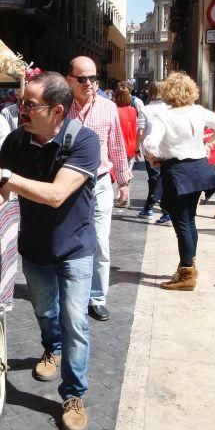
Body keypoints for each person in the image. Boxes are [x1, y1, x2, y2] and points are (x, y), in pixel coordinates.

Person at [0, 70, 101, 430]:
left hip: (75, 248)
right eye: (21, 102)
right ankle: (51, 349)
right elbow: (1, 196)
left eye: (29, 104)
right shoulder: (16, 141)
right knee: (45, 310)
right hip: (35, 247)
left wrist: (4, 175)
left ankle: (73, 395)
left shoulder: (83, 141)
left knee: (76, 319)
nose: (20, 108)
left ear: (56, 110)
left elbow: (57, 195)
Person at [141, 72, 215, 290]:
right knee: (189, 221)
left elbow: (149, 144)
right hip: (199, 169)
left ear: (168, 92)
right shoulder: (199, 111)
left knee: (182, 223)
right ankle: (189, 264)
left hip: (178, 171)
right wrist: (210, 143)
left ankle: (187, 273)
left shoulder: (164, 115)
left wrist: (154, 158)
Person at [67, 56, 131, 322]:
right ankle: (72, 294)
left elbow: (116, 143)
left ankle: (96, 297)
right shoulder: (61, 107)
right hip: (68, 184)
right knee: (70, 241)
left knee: (100, 243)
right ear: (69, 80)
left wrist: (124, 181)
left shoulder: (108, 107)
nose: (89, 84)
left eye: (93, 78)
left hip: (101, 181)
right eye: (83, 79)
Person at [137, 81, 167, 220]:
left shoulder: (146, 109)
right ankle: (151, 207)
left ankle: (159, 209)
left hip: (150, 150)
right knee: (161, 178)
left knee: (154, 178)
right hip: (166, 148)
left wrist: (136, 147)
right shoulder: (169, 109)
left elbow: (140, 131)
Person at [113, 82, 140, 207]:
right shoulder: (133, 110)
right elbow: (136, 128)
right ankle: (124, 196)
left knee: (117, 171)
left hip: (118, 146)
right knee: (127, 171)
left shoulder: (113, 110)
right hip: (131, 146)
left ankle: (121, 196)